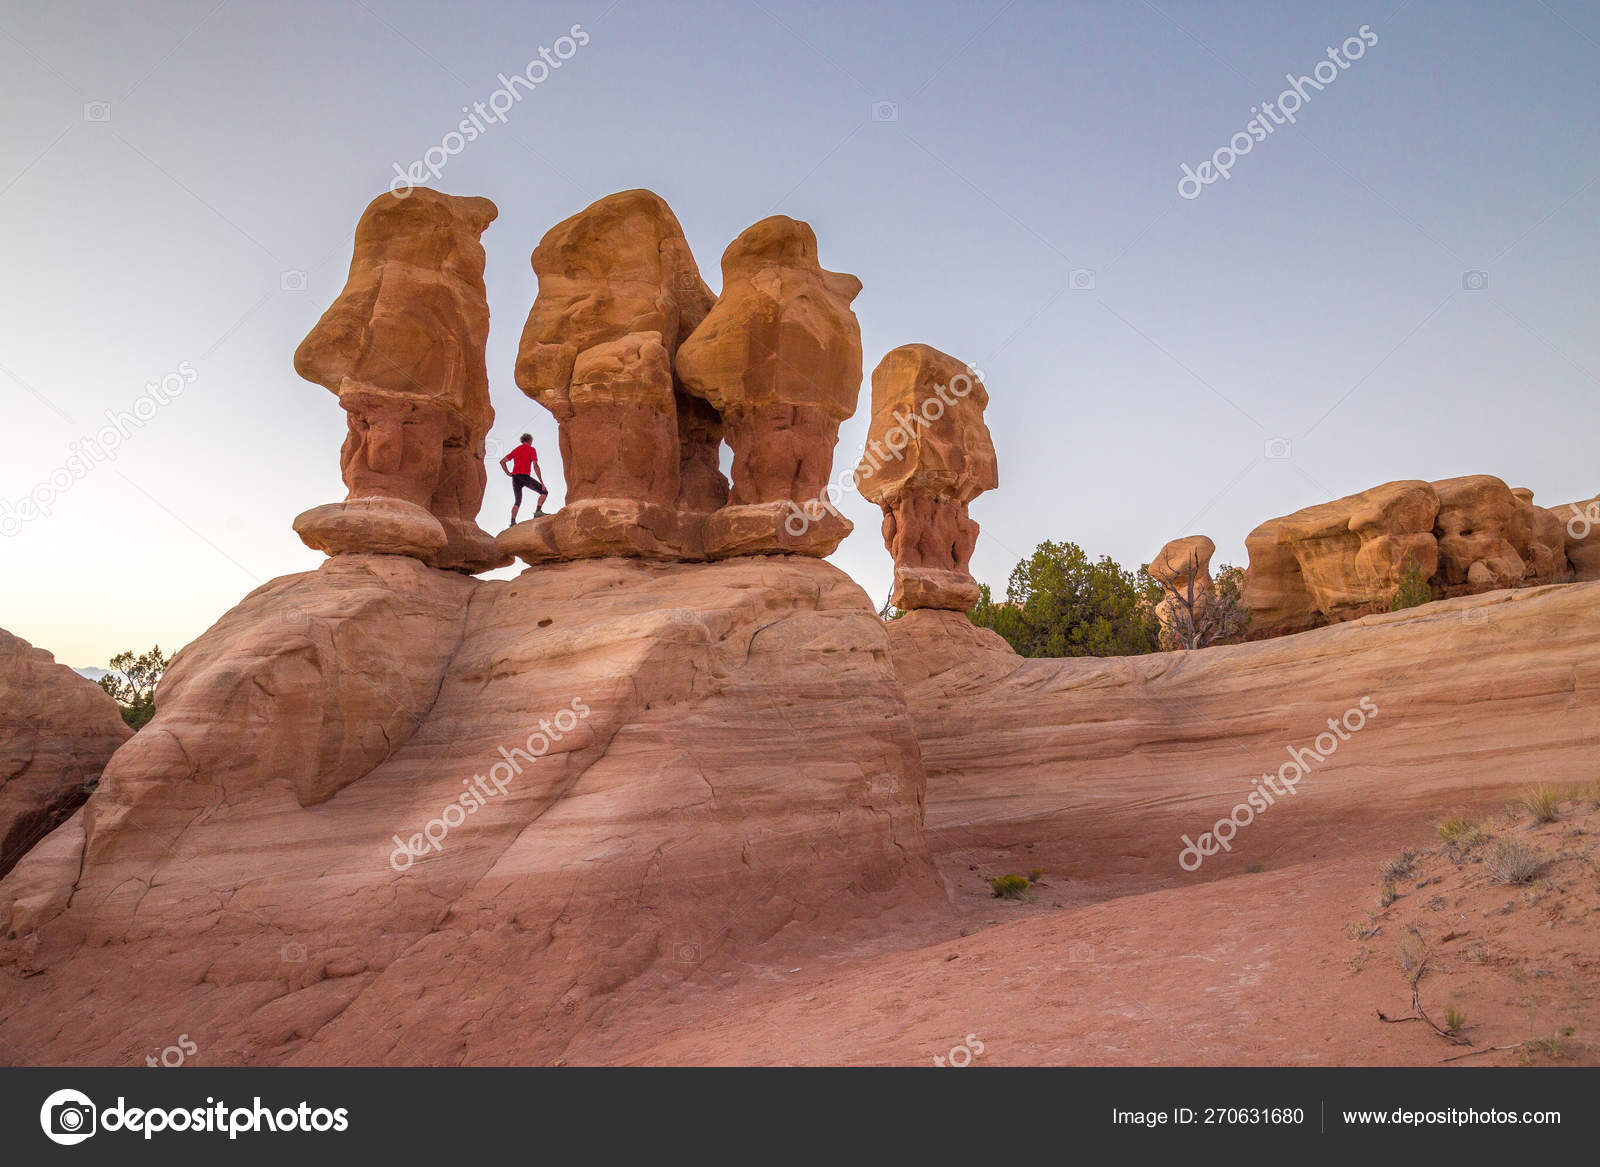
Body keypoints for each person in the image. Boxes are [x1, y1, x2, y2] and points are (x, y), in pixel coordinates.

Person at [499, 432, 548, 524]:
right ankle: (537, 512)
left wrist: (508, 473)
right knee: (544, 492)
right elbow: (535, 466)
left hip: (515, 477)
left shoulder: (516, 450)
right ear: (529, 440)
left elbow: (502, 461)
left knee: (518, 501)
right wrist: (542, 482)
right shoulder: (531, 449)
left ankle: (512, 522)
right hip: (524, 476)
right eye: (531, 441)